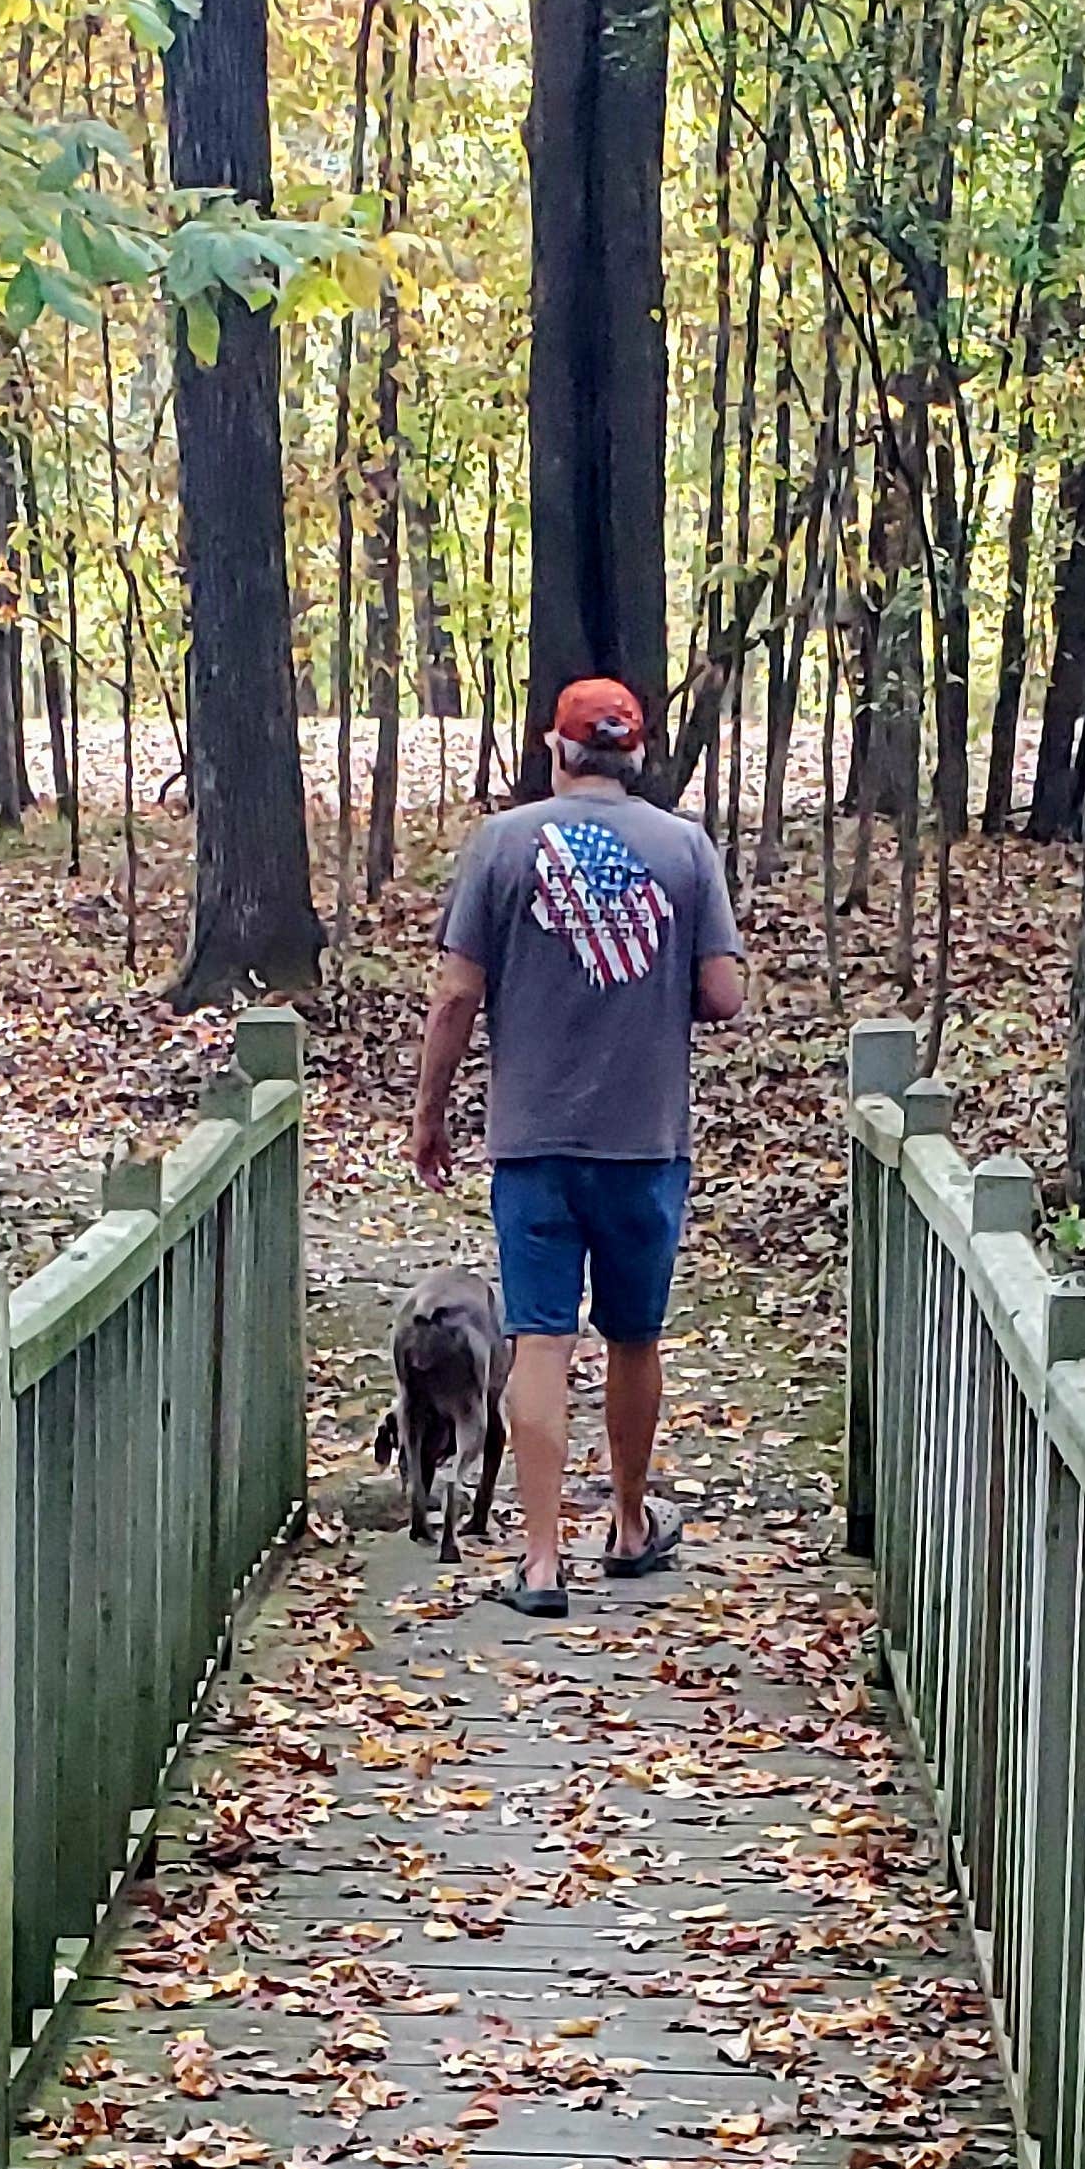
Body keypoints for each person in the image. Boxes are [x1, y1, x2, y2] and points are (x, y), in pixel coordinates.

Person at [410, 677, 745, 1616]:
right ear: (636, 757)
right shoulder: (685, 849)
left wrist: (430, 1113)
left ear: (556, 751)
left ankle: (543, 1559)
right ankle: (631, 1525)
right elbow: (724, 996)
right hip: (644, 1141)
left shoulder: (502, 844)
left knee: (541, 1341)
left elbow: (455, 997)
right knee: (635, 1336)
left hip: (533, 1141)